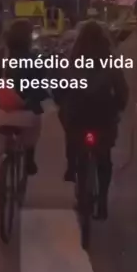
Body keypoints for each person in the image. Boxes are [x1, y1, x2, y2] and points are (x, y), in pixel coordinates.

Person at [54, 20, 129, 220]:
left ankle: (75, 173)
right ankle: (102, 202)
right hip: (103, 118)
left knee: (77, 145)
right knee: (104, 158)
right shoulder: (111, 62)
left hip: (77, 117)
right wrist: (118, 108)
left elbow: (59, 89)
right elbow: (122, 91)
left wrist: (62, 104)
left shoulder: (71, 60)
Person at [0, 19, 49, 207]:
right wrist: (31, 101)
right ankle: (29, 159)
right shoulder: (35, 59)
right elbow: (41, 89)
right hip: (25, 116)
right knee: (35, 126)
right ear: (28, 38)